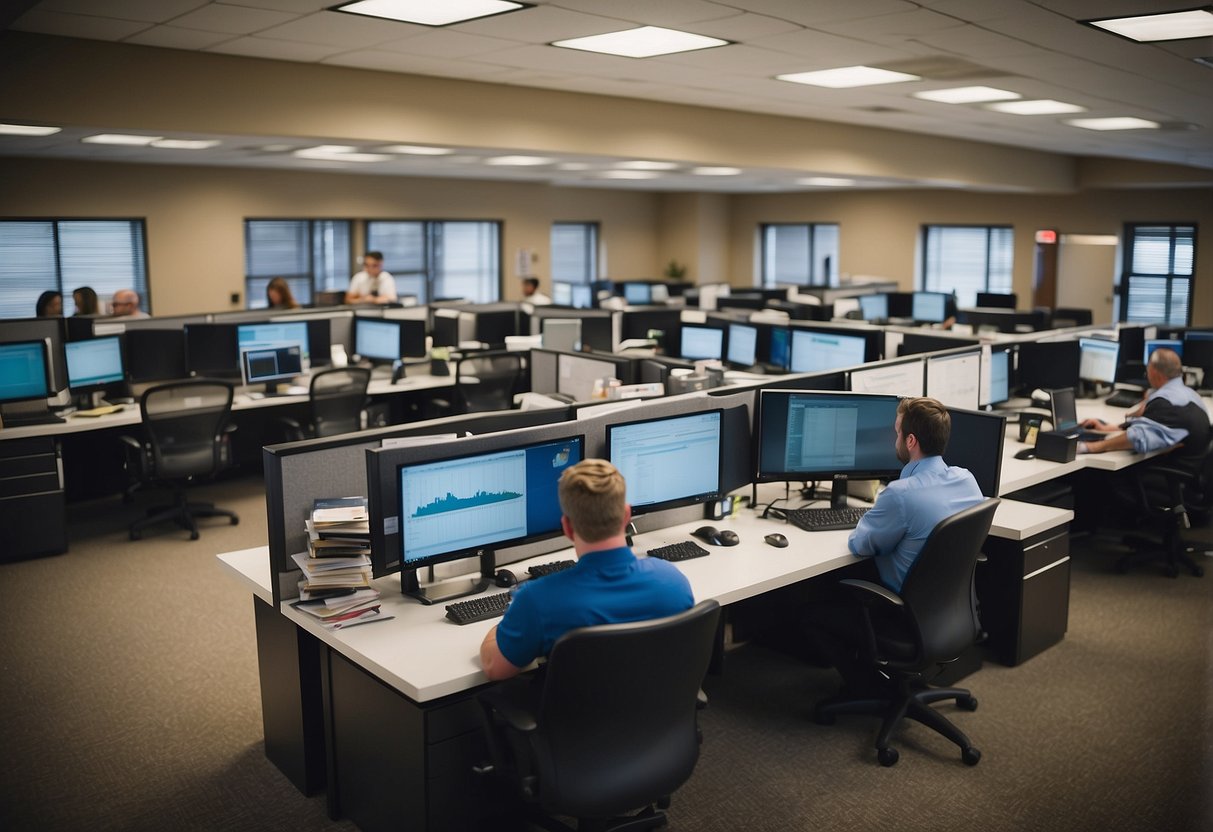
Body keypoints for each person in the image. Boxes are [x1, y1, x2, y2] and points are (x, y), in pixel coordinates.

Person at [808, 397, 984, 693]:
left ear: (911, 441)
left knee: (812, 613)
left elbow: (860, 545)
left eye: (897, 432)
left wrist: (870, 516)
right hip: (952, 613)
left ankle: (869, 689)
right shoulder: (967, 480)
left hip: (902, 618)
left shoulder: (901, 495)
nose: (895, 439)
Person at [479, 459, 694, 681]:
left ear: (567, 527)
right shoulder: (673, 581)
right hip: (659, 712)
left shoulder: (538, 601)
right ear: (626, 515)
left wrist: (510, 620)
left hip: (574, 715)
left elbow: (494, 668)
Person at [1079, 347, 1209, 475]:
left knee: (1097, 476)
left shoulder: (1165, 403)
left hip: (1168, 474)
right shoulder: (1191, 395)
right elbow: (1157, 425)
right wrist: (1108, 428)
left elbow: (1136, 438)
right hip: (1189, 470)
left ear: (1154, 372)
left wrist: (1089, 447)